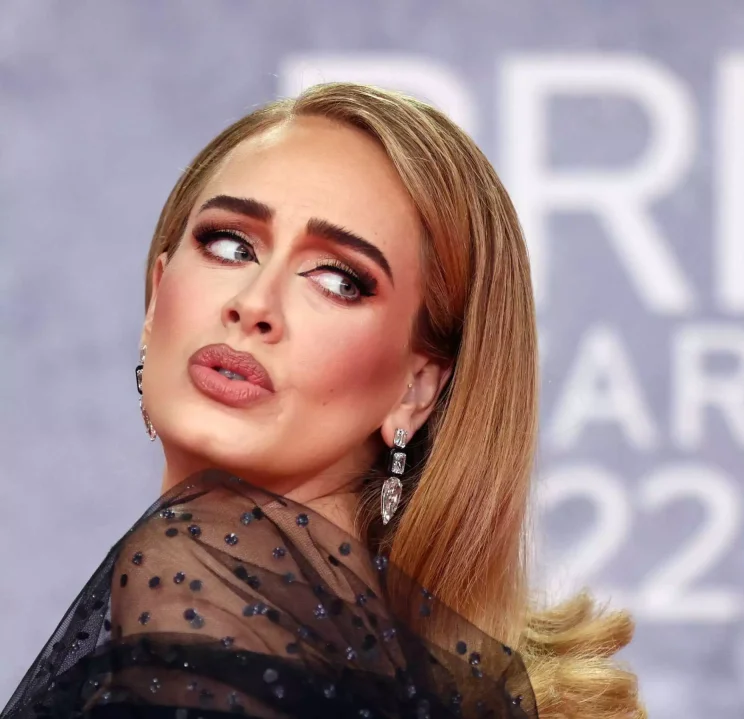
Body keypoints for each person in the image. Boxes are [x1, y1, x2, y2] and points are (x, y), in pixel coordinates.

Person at [1, 83, 645, 719]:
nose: (254, 303)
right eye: (230, 246)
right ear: (157, 295)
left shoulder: (192, 573)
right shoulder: (423, 681)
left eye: (338, 281)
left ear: (416, 387)